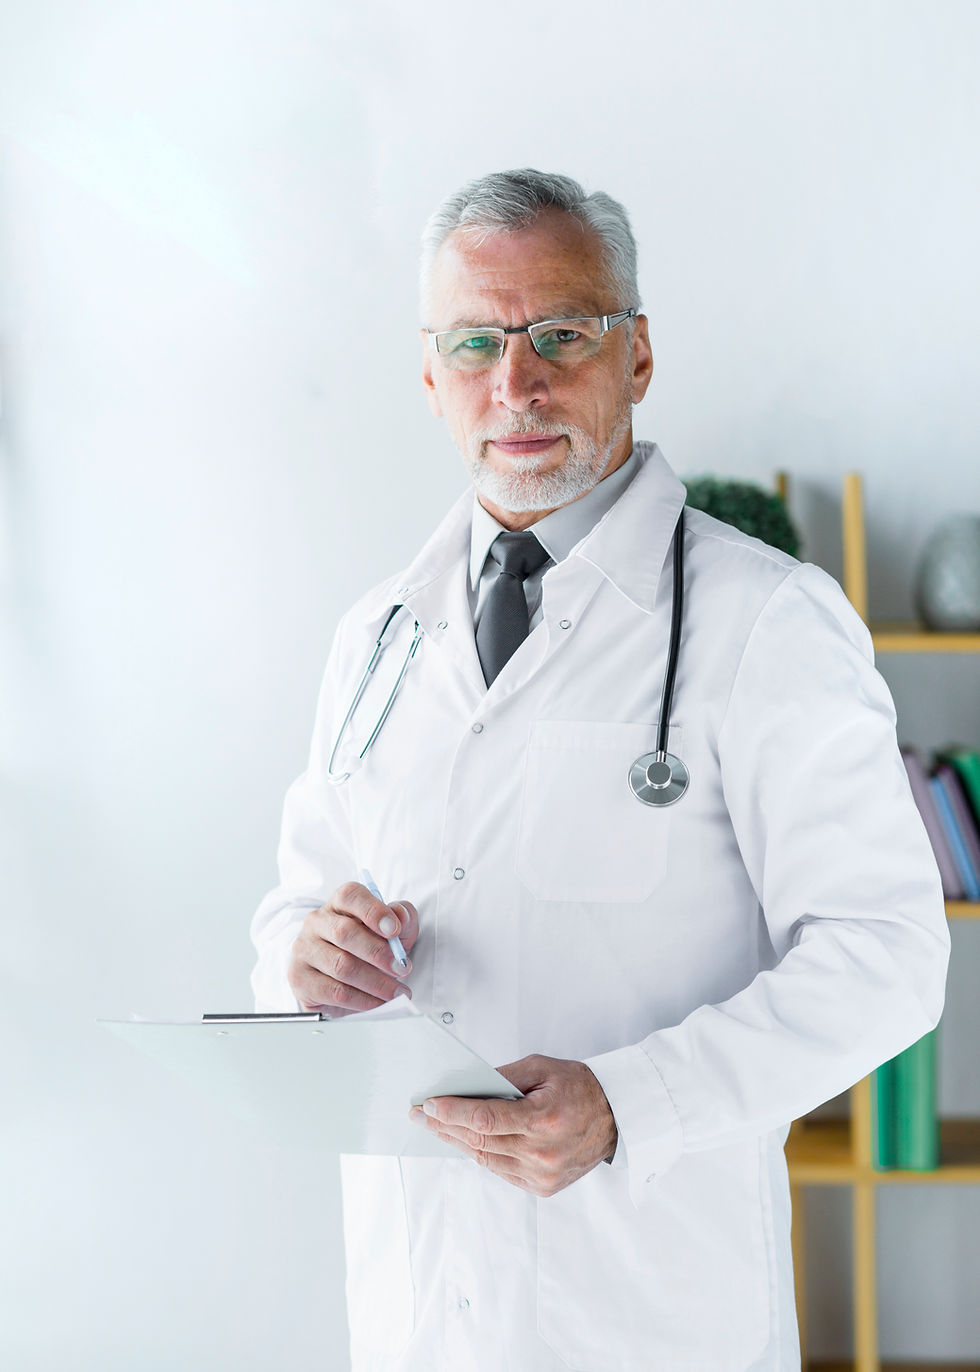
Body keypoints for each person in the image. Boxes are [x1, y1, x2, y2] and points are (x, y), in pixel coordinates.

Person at [251, 169, 949, 1371]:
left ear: (635, 355)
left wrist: (633, 1101)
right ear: (430, 376)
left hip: (646, 1313)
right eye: (474, 339)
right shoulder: (375, 633)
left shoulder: (765, 619)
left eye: (558, 334)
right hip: (418, 1312)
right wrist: (301, 956)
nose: (513, 382)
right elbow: (293, 914)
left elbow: (885, 957)